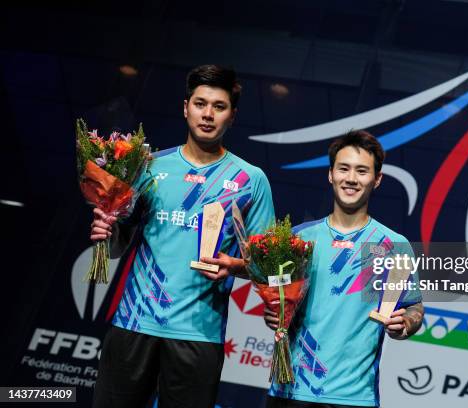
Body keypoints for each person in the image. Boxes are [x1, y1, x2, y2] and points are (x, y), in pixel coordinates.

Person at [89, 64, 275, 408]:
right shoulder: (147, 166)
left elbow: (265, 267)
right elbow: (118, 247)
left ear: (232, 116)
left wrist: (233, 266)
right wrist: (108, 231)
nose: (208, 114)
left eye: (219, 107)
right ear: (185, 107)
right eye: (200, 103)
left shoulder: (251, 179)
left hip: (198, 336)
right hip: (134, 324)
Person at [264, 130, 424, 408]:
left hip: (354, 397)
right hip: (290, 391)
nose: (351, 178)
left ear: (377, 179)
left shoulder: (393, 245)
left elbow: (414, 308)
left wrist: (406, 323)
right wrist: (275, 312)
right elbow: (278, 299)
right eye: (344, 169)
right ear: (330, 174)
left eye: (362, 171)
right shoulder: (297, 239)